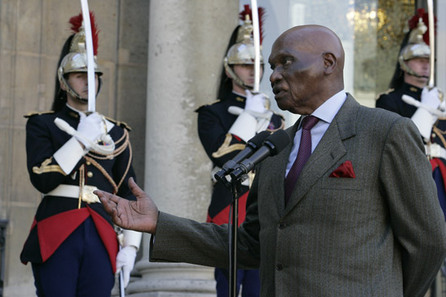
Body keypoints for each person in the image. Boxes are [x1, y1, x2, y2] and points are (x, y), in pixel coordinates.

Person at [95, 24, 446, 297]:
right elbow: (254, 244)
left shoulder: (385, 131)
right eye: (271, 66)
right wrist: (161, 224)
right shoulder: (276, 148)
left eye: (286, 63)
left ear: (328, 63)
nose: (273, 75)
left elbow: (428, 240)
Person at [20, 12, 141, 297]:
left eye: (93, 75)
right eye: (79, 76)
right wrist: (81, 140)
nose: (88, 82)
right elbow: (42, 178)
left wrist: (132, 245)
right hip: (57, 229)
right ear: (64, 83)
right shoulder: (43, 124)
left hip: (101, 231)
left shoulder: (117, 133)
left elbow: (129, 192)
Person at [196, 5, 284, 296]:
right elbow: (222, 156)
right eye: (246, 65)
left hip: (265, 206)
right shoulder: (212, 113)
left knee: (261, 288)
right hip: (230, 205)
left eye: (258, 66)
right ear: (230, 68)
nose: (253, 72)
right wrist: (247, 117)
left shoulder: (276, 118)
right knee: (228, 287)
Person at [376, 10, 446, 219]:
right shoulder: (389, 100)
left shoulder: (438, 99)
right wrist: (425, 109)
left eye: (428, 59)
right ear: (405, 63)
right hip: (412, 175)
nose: (426, 64)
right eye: (418, 59)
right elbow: (400, 142)